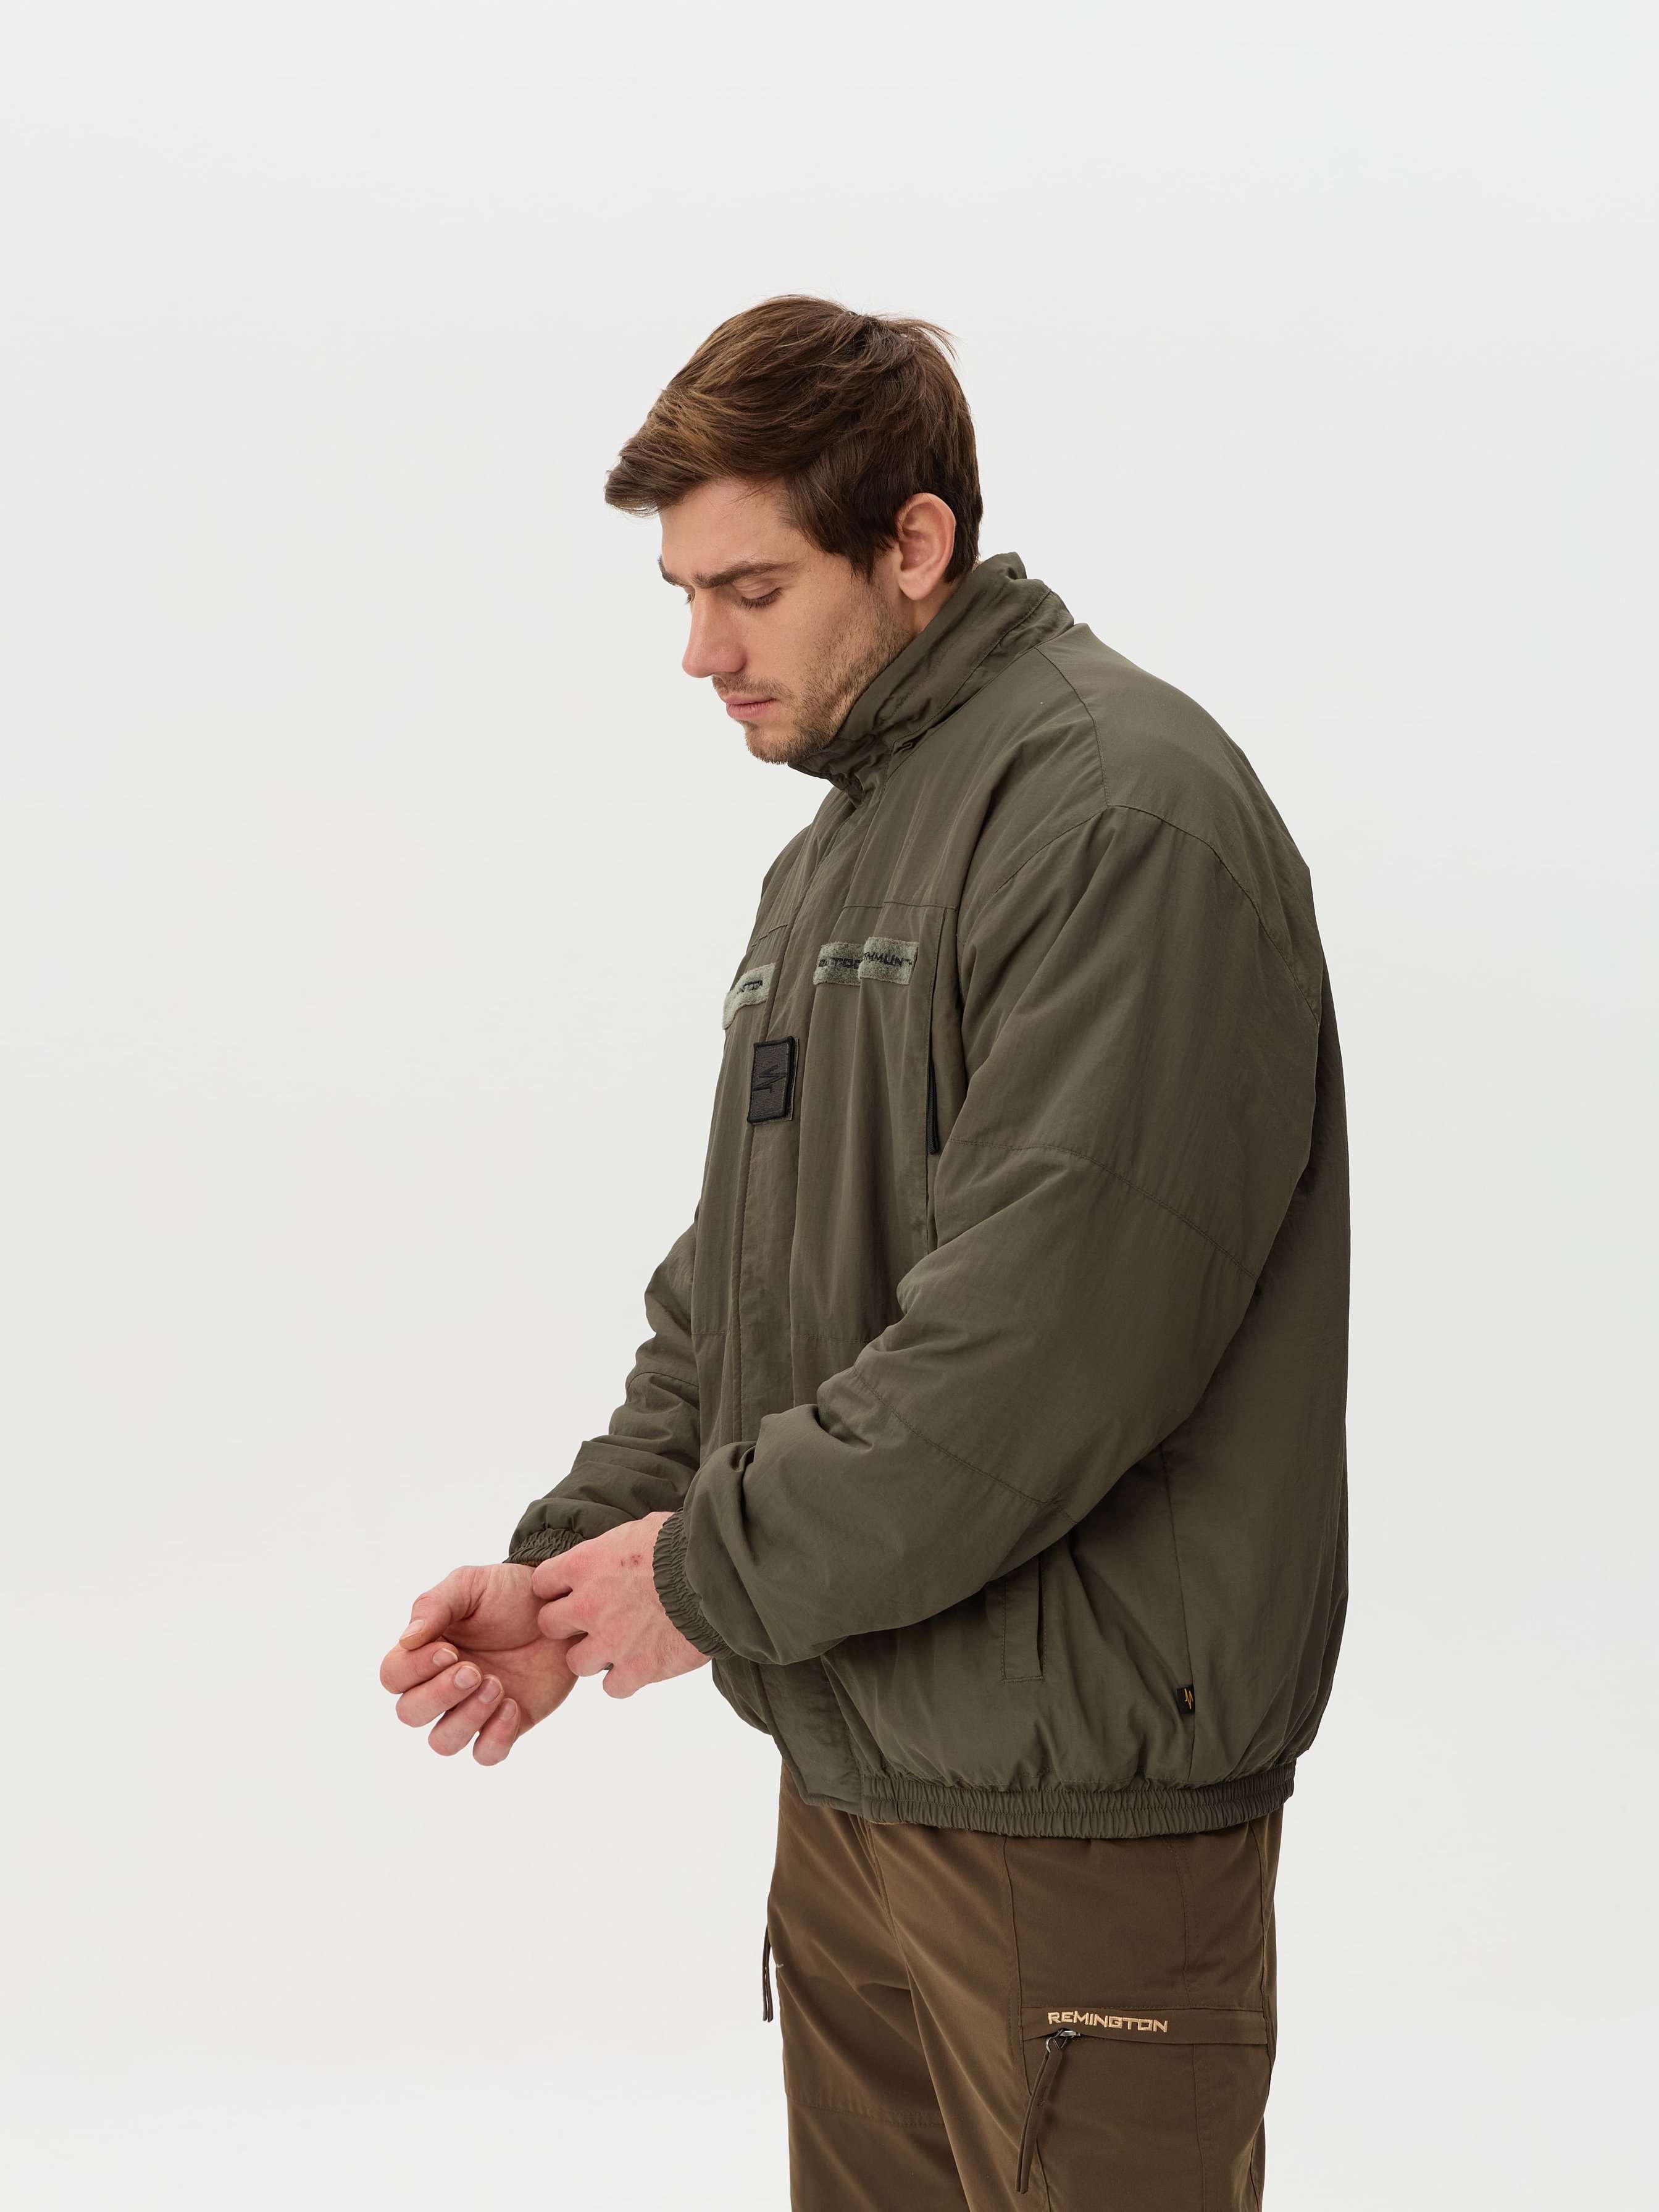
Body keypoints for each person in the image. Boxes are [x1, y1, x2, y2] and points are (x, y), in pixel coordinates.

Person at [378, 294, 1350, 2208]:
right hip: (855, 1784)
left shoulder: (1119, 816)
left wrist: (707, 1577)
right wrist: (573, 1577)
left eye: (750, 589)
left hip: (1074, 1817)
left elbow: (1038, 1350)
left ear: (915, 543)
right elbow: (739, 1302)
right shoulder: (838, 857)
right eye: (683, 594)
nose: (699, 651)